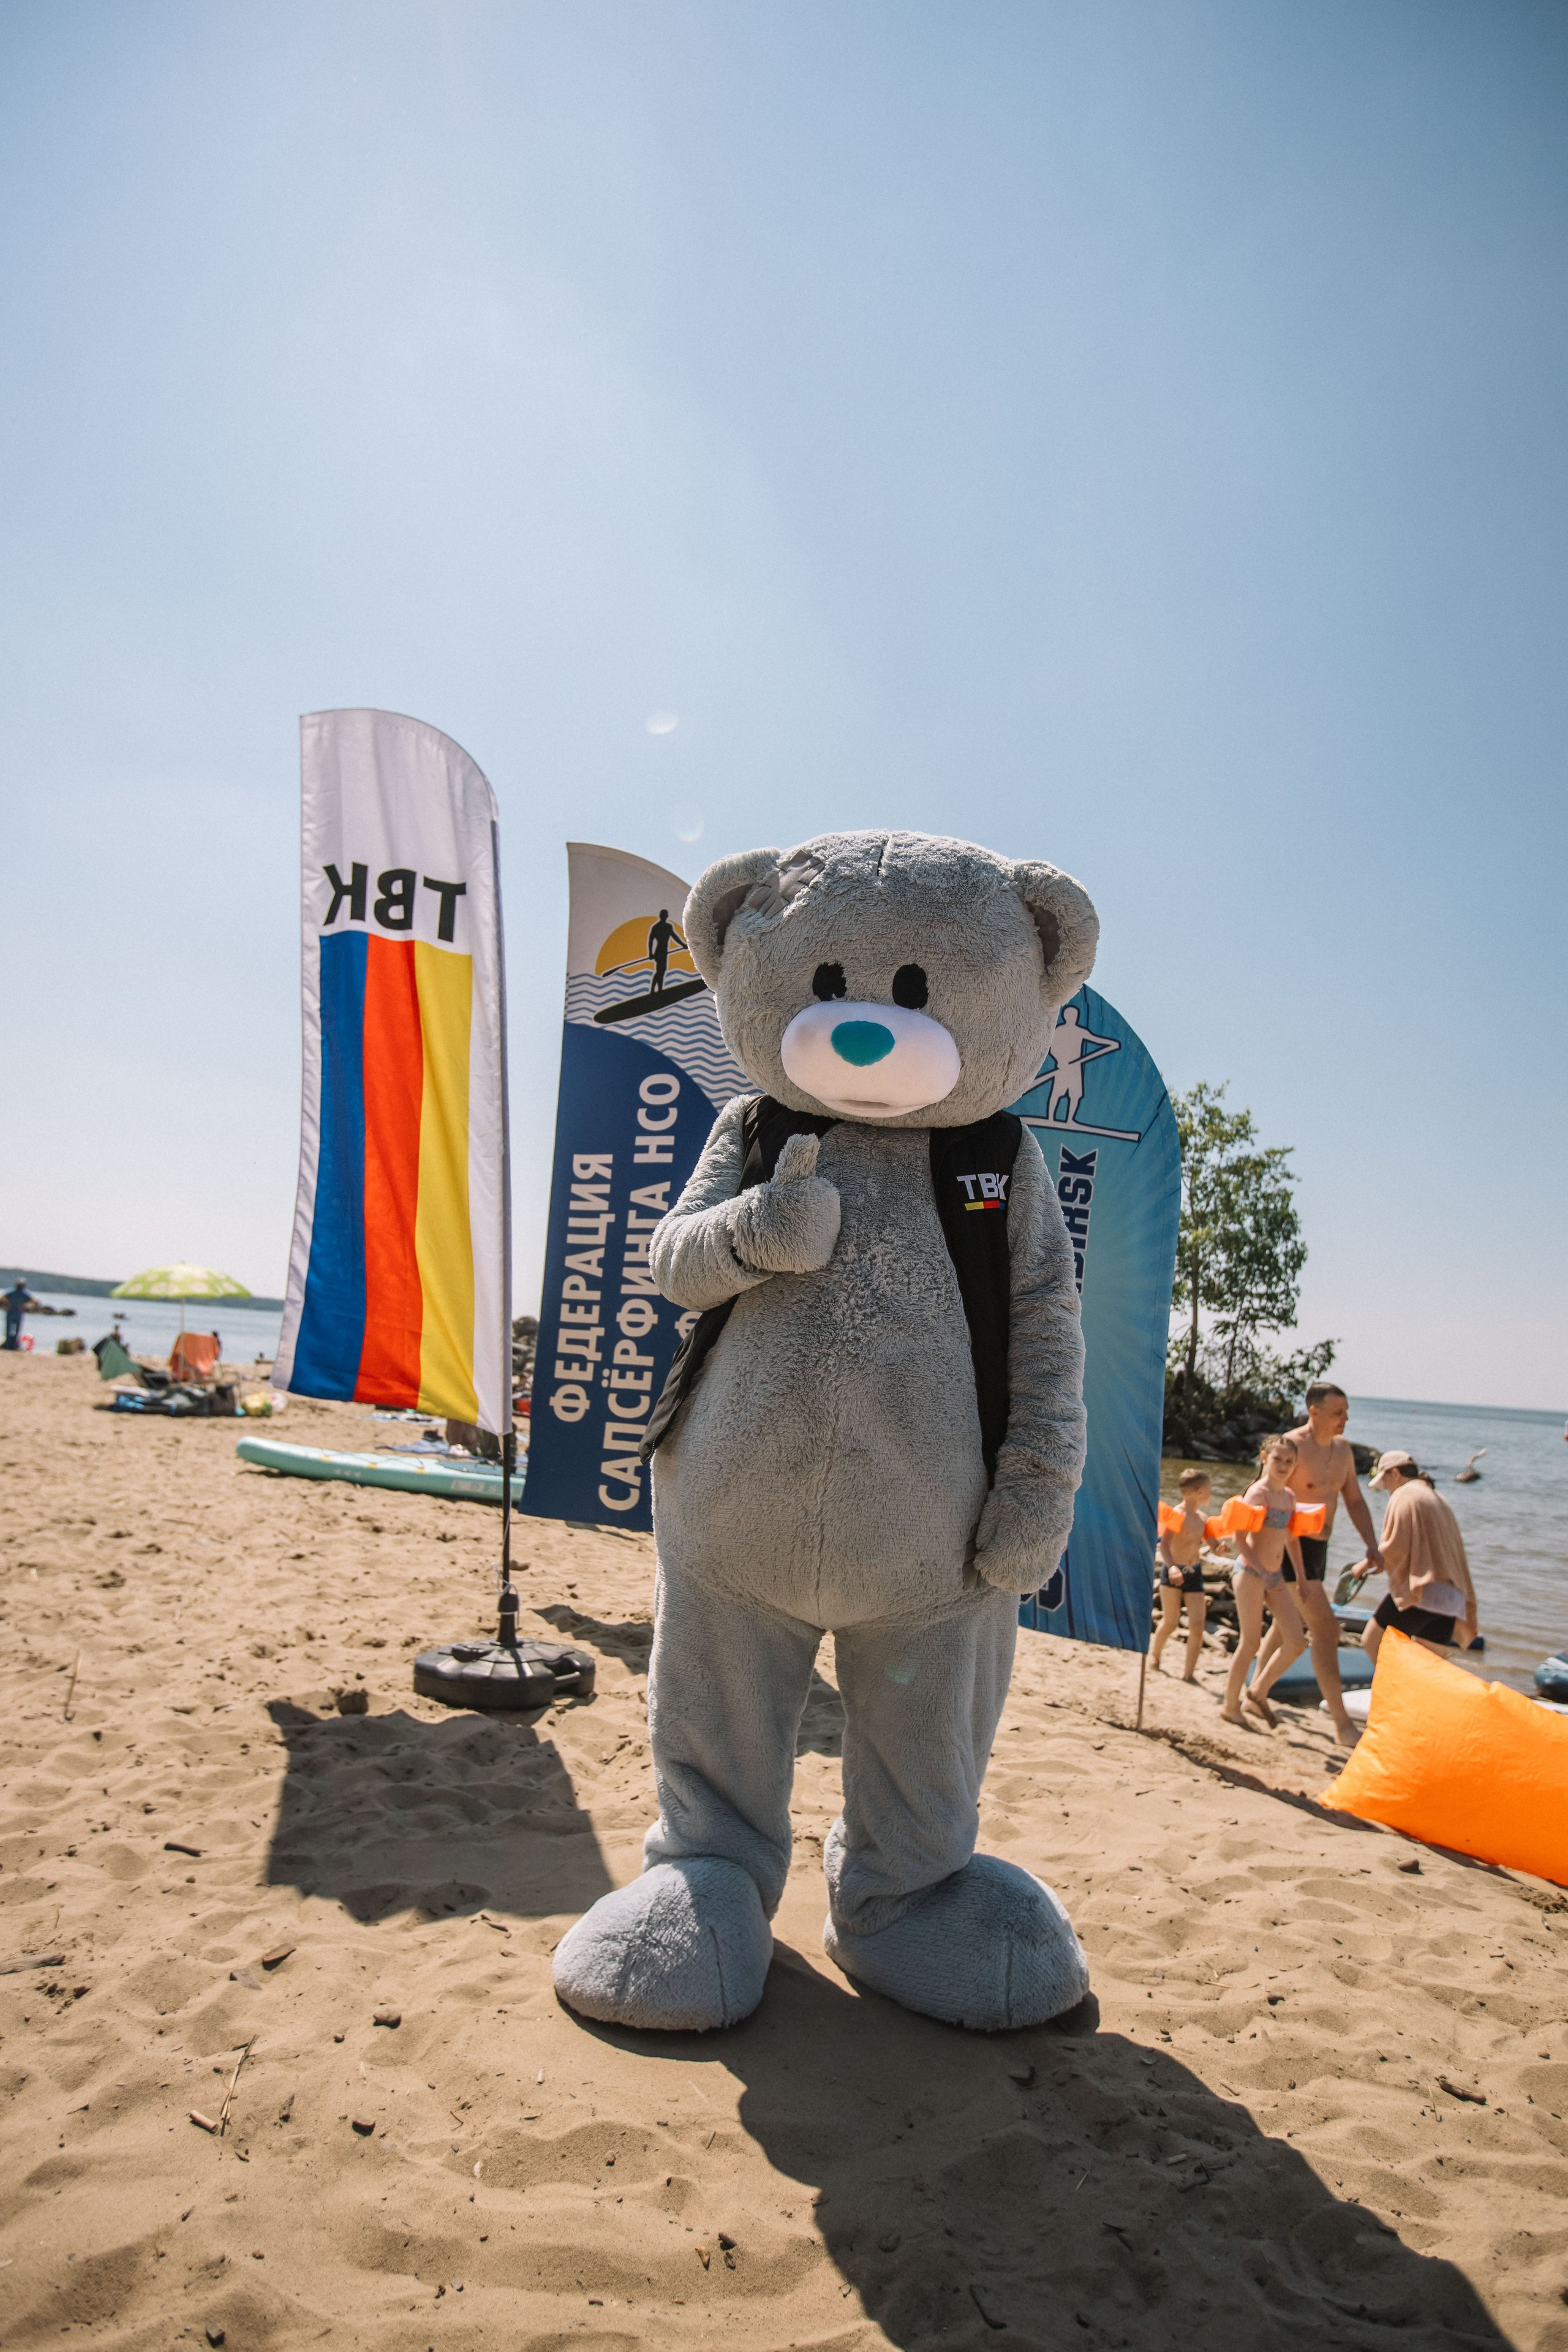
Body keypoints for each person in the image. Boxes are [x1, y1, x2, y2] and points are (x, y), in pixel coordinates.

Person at [1251, 1380, 1380, 1747]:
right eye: (1338, 1413)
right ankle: (1342, 1725)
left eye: (1347, 1412)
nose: (1345, 1419)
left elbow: (1354, 1500)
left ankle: (1256, 1693)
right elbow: (1262, 1495)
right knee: (1325, 1629)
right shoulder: (1291, 1448)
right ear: (1315, 1412)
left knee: (1283, 1625)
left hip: (1318, 1550)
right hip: (1289, 1549)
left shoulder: (1342, 1452)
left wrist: (1372, 1545)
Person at [1221, 1435, 1310, 1731]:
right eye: (1277, 1459)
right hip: (1250, 1573)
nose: (1283, 1465)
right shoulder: (1257, 1494)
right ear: (1264, 1458)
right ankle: (1230, 1707)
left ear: (1295, 1464)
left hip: (1277, 1576)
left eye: (1289, 1461)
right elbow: (1239, 1541)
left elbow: (1292, 1541)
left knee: (1297, 1641)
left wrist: (1301, 1577)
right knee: (1250, 1642)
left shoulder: (1290, 1497)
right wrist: (1264, 1572)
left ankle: (1258, 1692)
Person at [1360, 1451, 1478, 1662]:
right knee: (1428, 1667)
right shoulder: (1436, 1496)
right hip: (1451, 1596)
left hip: (1424, 1592)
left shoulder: (1405, 1494)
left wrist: (1365, 1565)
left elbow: (1396, 1545)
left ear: (1395, 1474)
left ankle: (1394, 1691)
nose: (1386, 1490)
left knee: (1372, 1641)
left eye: (1385, 1482)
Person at [1152, 1467, 1212, 1681]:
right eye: (1208, 1490)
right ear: (1198, 1491)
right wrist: (1173, 1567)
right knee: (1170, 1622)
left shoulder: (1203, 1518)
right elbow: (1165, 1545)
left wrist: (1219, 1547)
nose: (1210, 1494)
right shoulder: (1176, 1516)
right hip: (1173, 1573)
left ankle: (1189, 1674)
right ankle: (1155, 1657)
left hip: (1194, 1573)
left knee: (1197, 1626)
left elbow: (1211, 1543)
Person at [3, 1279, 38, 1350]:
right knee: (15, 1330)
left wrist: (8, 1303)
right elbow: (34, 1301)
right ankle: (12, 1345)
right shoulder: (22, 1292)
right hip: (17, 1312)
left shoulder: (14, 1291)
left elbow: (2, 1297)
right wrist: (24, 1305)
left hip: (13, 1312)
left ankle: (9, 1345)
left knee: (10, 1329)